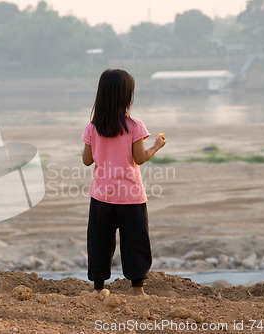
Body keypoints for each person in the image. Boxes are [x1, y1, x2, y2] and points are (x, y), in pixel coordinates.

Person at [81, 69, 166, 296]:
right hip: (130, 195)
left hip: (101, 195)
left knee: (99, 242)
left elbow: (87, 160)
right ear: (126, 96)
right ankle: (138, 290)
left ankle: (99, 288)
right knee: (135, 241)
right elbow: (139, 158)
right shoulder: (135, 126)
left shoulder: (92, 127)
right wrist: (157, 145)